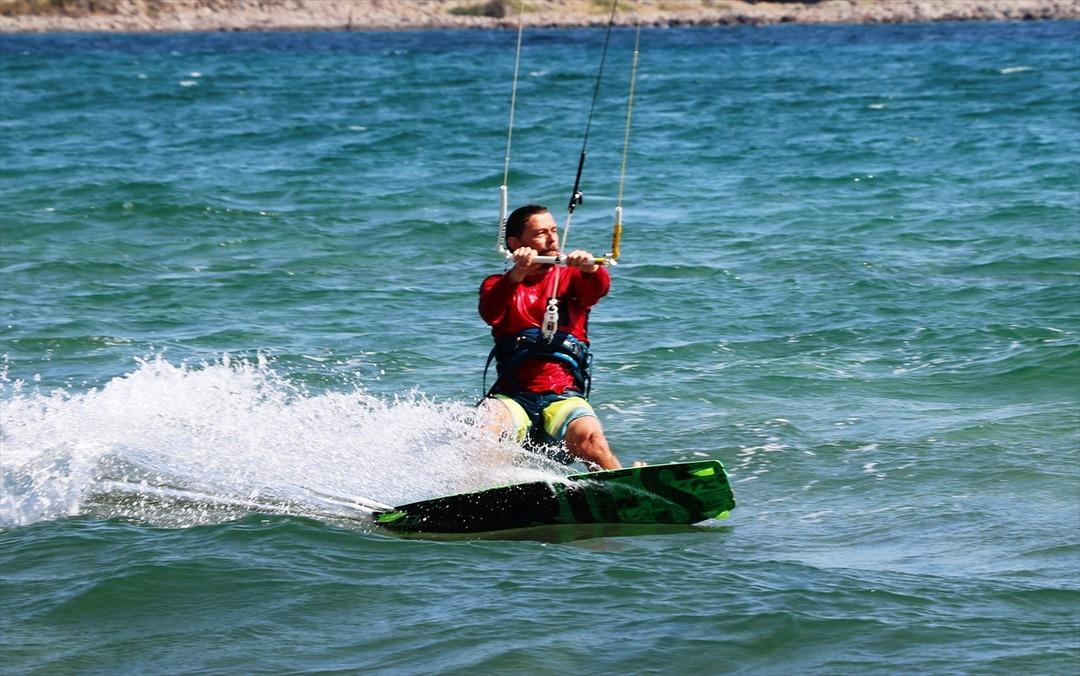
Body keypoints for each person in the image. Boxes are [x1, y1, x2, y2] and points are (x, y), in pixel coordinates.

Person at [479, 203, 625, 471]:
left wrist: (591, 269)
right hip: (513, 399)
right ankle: (479, 491)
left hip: (563, 398)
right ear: (515, 242)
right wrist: (518, 273)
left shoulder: (571, 278)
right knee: (485, 424)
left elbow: (597, 289)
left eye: (554, 231)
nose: (552, 239)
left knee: (592, 441)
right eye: (540, 233)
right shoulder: (497, 284)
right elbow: (491, 311)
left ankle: (625, 486)